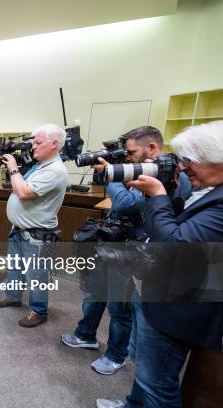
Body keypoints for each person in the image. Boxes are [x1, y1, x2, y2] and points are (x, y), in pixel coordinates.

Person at [97, 121, 223, 408]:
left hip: (178, 306)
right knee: (143, 371)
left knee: (157, 385)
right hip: (157, 294)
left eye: (190, 161)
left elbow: (176, 245)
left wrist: (157, 196)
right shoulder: (208, 190)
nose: (184, 168)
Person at [61, 126, 191, 375]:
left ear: (151, 147)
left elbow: (125, 203)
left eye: (131, 152)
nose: (127, 157)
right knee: (94, 292)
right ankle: (85, 334)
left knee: (119, 307)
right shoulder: (137, 169)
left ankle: (115, 355)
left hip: (132, 251)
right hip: (112, 242)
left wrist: (111, 174)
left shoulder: (167, 177)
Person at [0, 124, 68, 327]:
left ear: (54, 144)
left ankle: (39, 311)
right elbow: (19, 187)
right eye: (33, 142)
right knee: (16, 267)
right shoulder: (39, 165)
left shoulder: (56, 170)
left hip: (37, 234)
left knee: (37, 274)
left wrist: (13, 168)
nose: (32, 146)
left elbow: (24, 192)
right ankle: (13, 296)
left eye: (37, 142)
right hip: (20, 229)